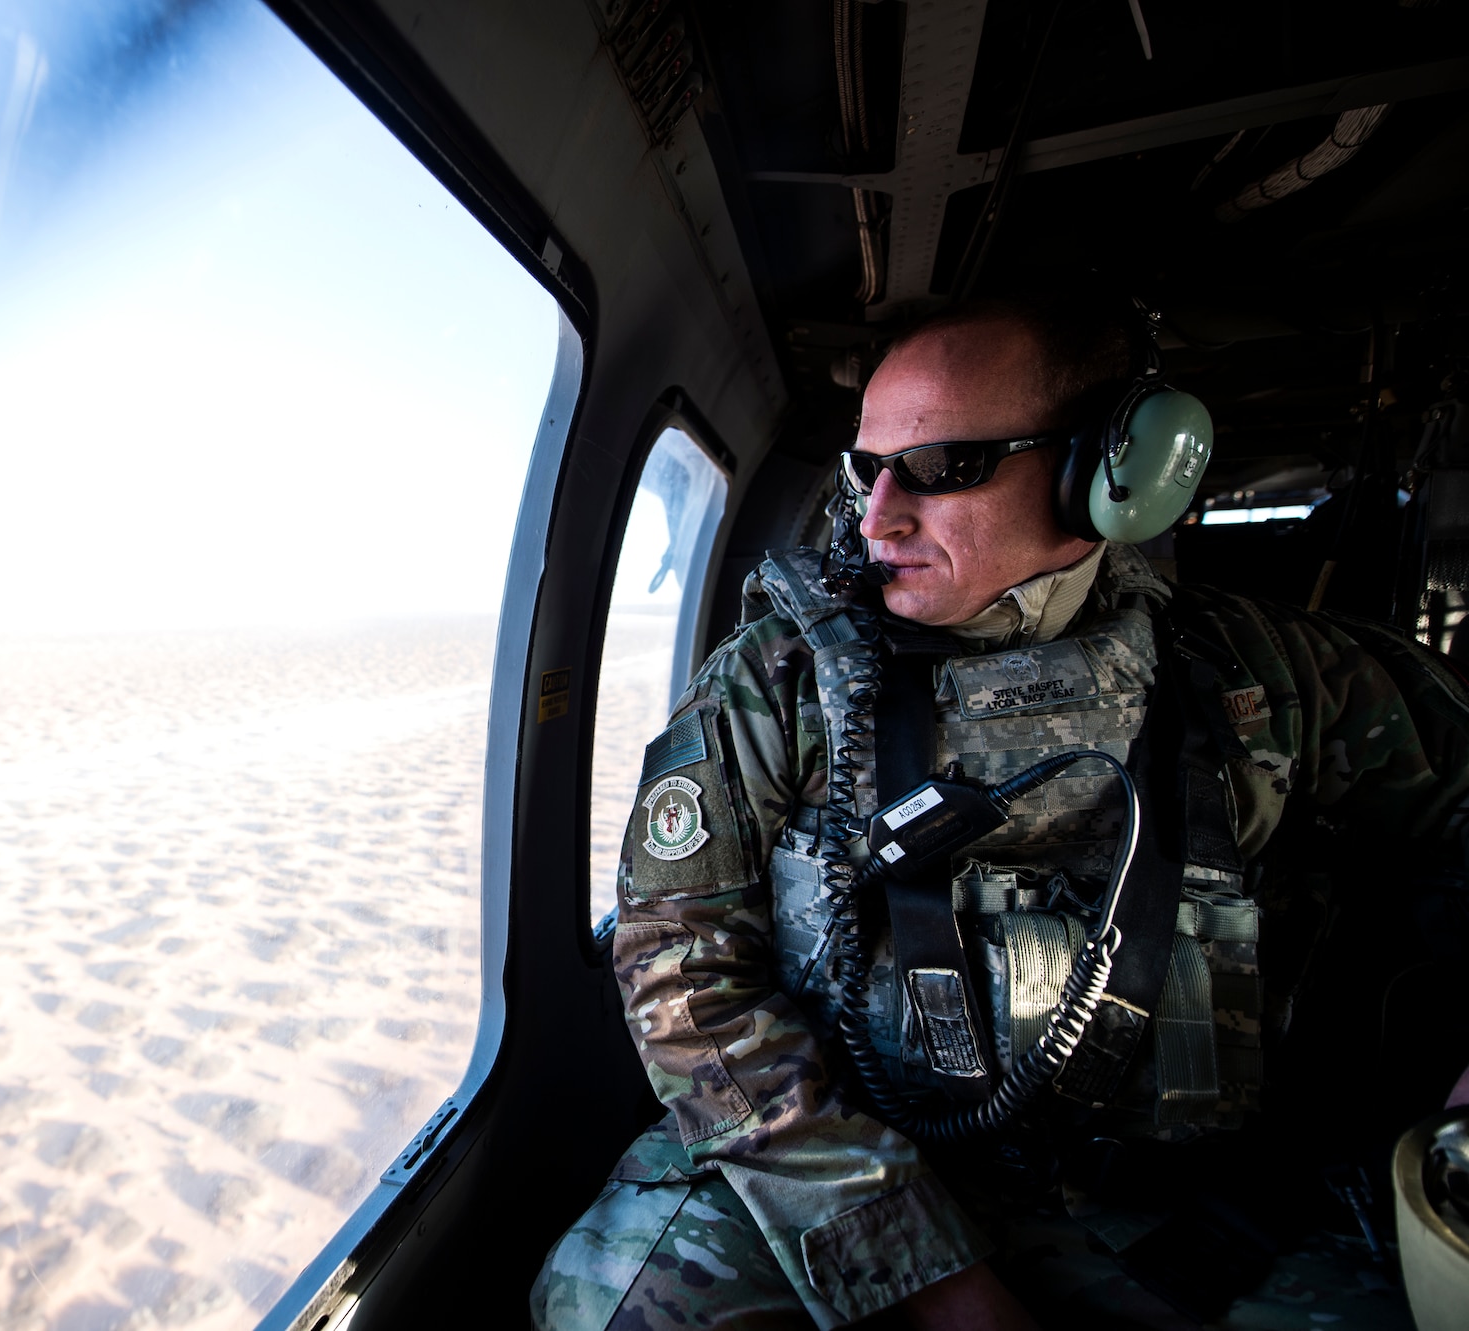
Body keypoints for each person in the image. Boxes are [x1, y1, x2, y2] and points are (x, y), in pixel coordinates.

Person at [532, 298, 1469, 1331]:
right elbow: (679, 965)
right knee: (612, 1305)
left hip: (1172, 1196)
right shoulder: (779, 681)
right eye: (864, 470)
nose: (879, 516)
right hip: (839, 1157)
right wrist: (918, 1263)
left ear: (1105, 474)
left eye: (941, 468)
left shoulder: (1275, 674)